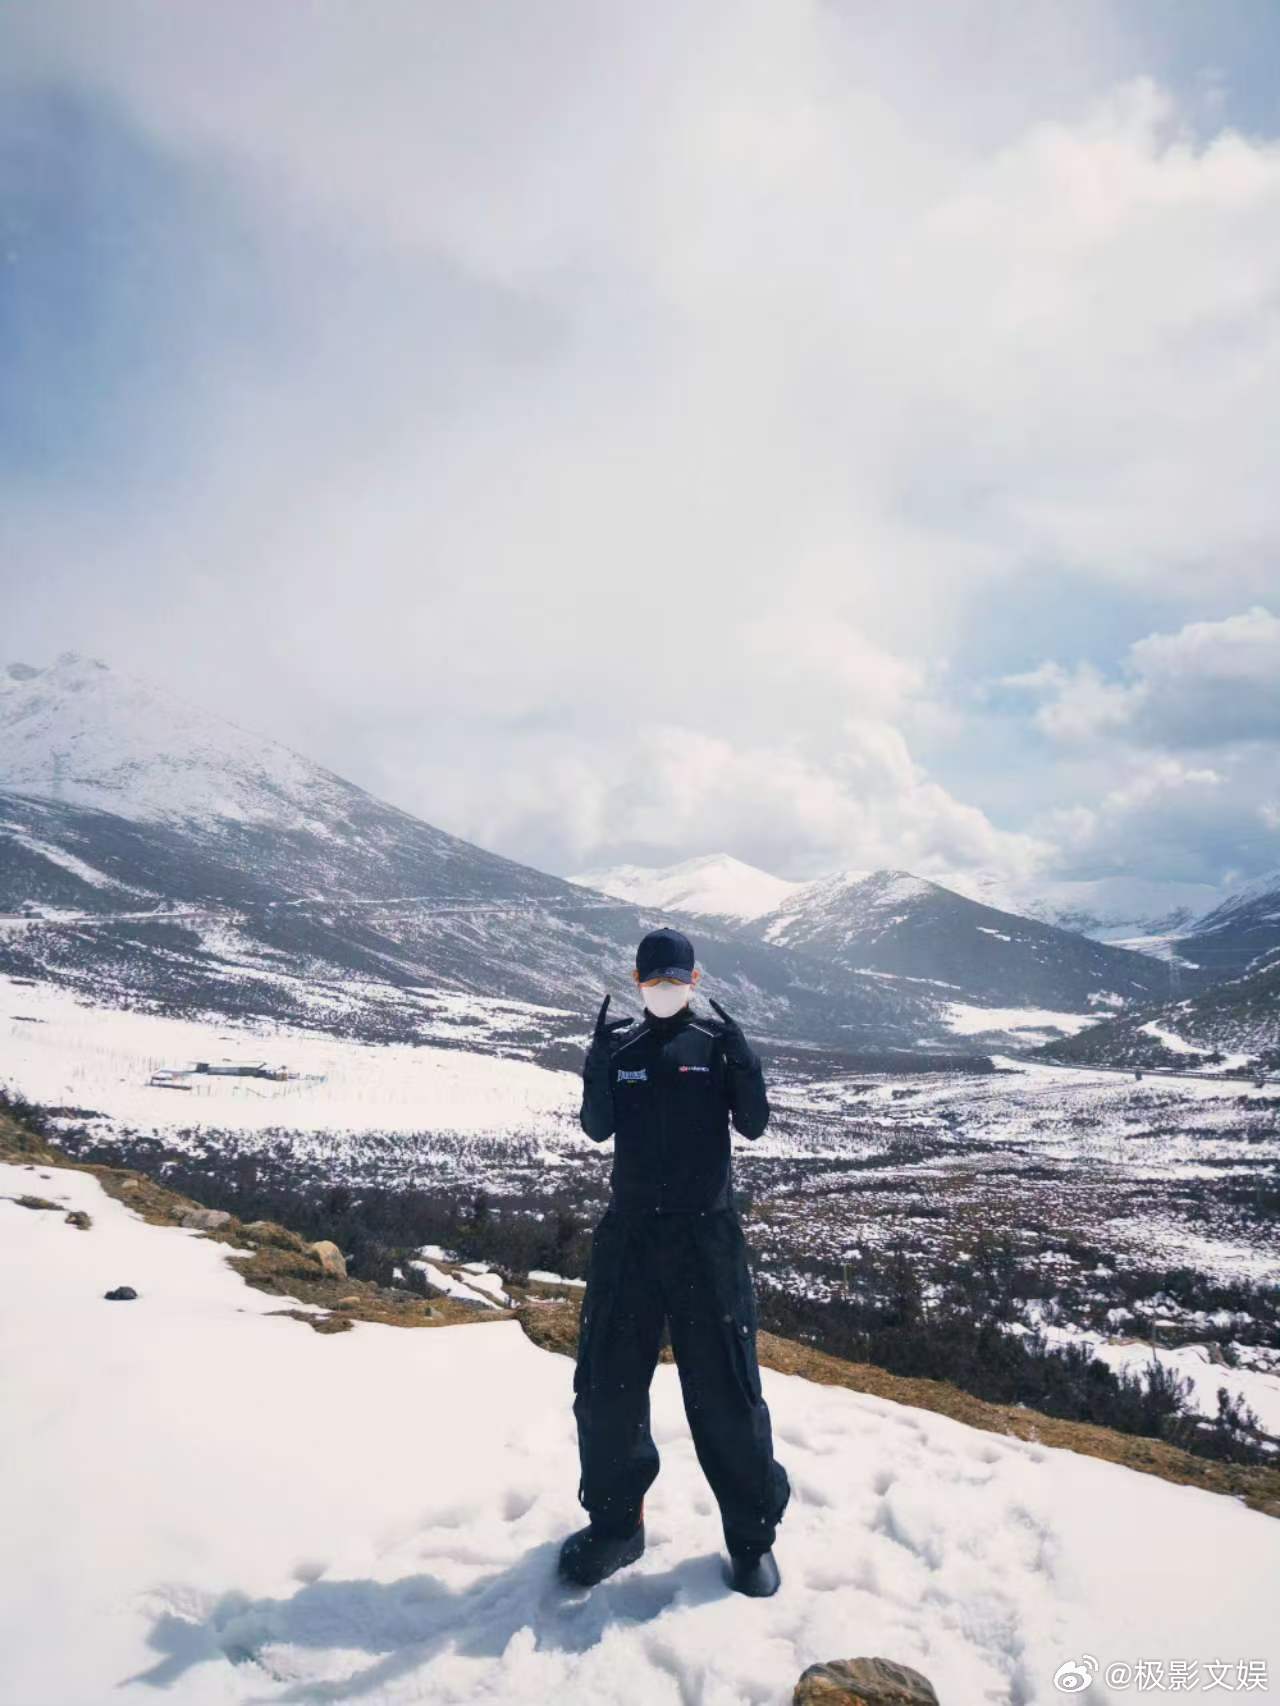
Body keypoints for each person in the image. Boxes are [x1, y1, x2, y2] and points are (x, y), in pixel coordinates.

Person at [558, 926, 791, 1597]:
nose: (663, 988)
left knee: (726, 1393)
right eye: (652, 978)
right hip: (629, 1236)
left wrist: (746, 1064)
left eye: (674, 978)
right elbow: (598, 1128)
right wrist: (595, 1072)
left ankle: (751, 1539)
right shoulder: (623, 1046)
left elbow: (752, 1123)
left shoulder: (714, 1046)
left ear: (693, 981)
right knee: (607, 1388)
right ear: (638, 981)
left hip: (705, 1238)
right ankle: (615, 1526)